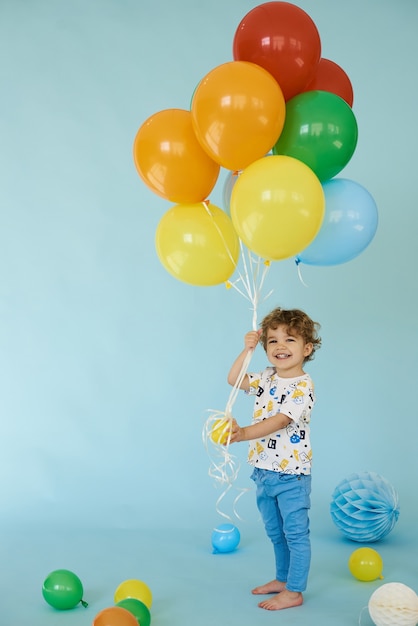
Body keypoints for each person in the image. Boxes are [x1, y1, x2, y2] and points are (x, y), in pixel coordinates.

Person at [227, 307, 321, 611]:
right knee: (275, 532)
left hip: (291, 476)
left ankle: (294, 591)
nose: (280, 347)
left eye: (290, 340)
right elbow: (234, 378)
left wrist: (243, 434)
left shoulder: (303, 386)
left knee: (295, 534)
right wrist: (247, 349)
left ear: (306, 349)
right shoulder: (266, 376)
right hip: (263, 472)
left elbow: (281, 421)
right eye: (273, 341)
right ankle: (282, 579)